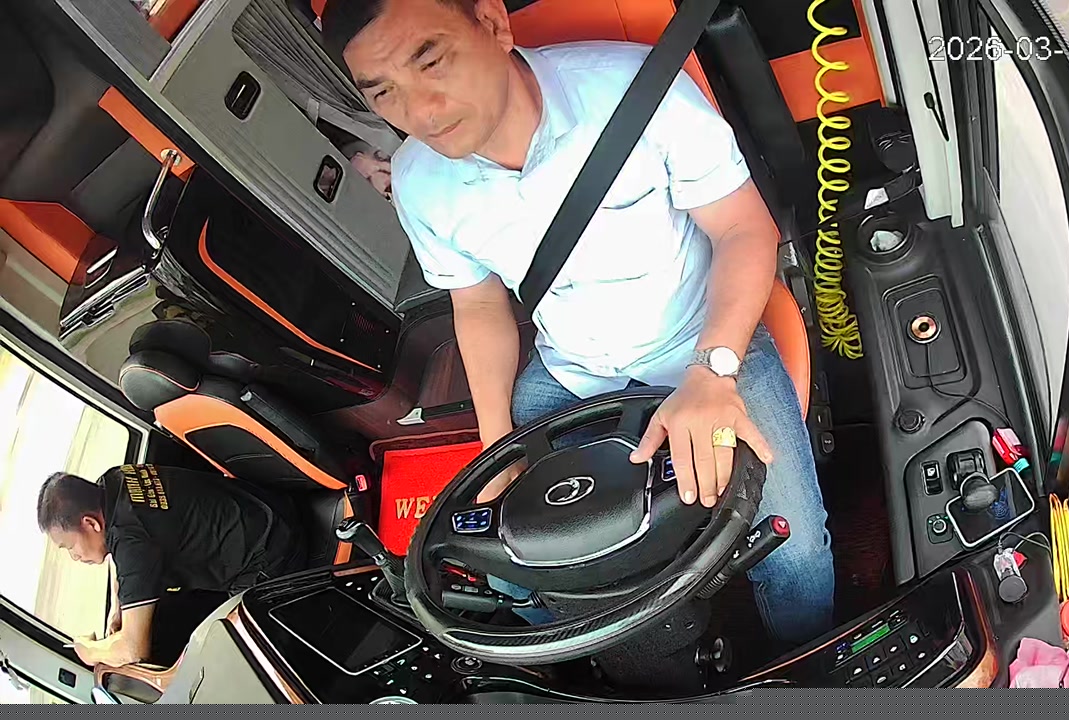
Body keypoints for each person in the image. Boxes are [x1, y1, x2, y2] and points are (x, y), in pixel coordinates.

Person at [322, 0, 834, 648]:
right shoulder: (421, 182)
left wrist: (713, 372)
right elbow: (478, 307)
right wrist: (495, 444)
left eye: (432, 61)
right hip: (571, 370)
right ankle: (628, 668)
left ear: (492, 23)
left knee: (796, 554)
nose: (421, 112)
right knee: (515, 572)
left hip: (702, 340)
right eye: (384, 93)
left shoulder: (636, 90)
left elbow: (744, 228)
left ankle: (801, 670)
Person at [37, 464, 307, 667]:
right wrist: (118, 607)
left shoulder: (132, 544)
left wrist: (90, 651)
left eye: (69, 546)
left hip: (273, 556)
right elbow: (120, 552)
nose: (74, 557)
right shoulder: (113, 481)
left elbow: (134, 649)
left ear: (90, 523)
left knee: (242, 664)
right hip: (268, 510)